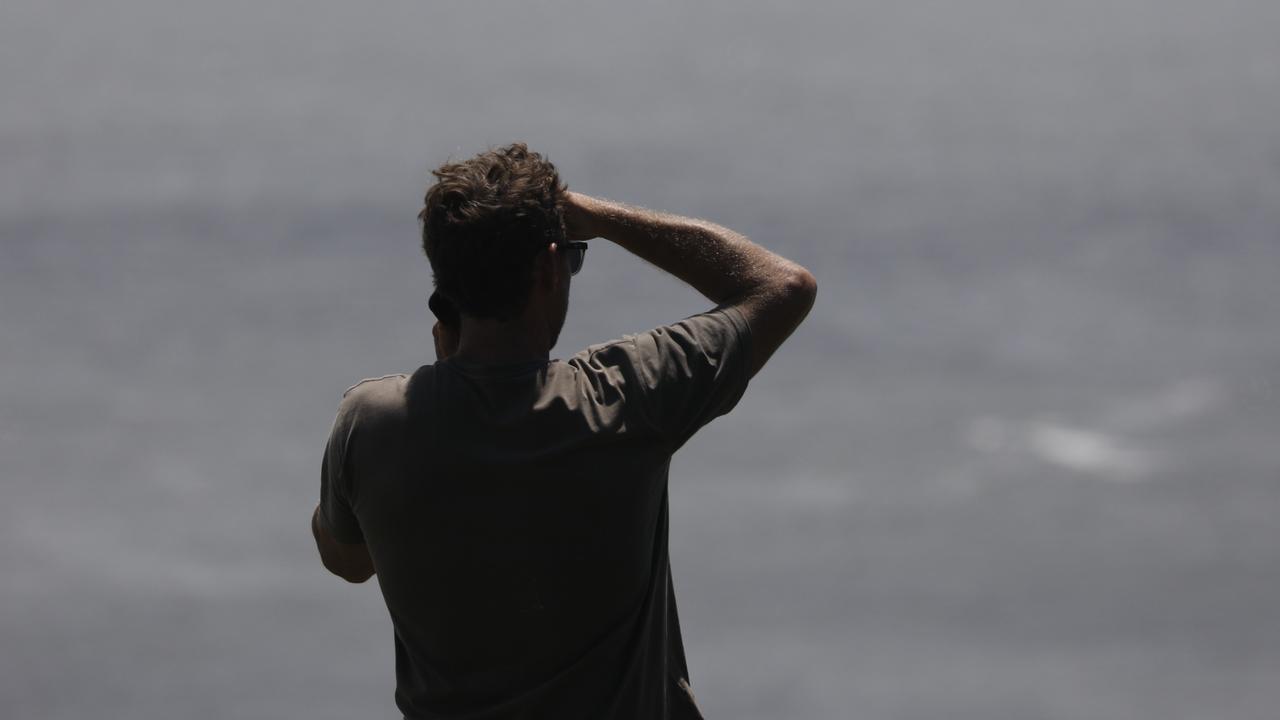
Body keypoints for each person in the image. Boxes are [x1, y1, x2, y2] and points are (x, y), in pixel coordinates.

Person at [311, 143, 816, 719]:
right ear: (551, 268)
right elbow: (784, 287)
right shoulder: (627, 396)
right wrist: (595, 217)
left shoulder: (371, 420)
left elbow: (346, 559)